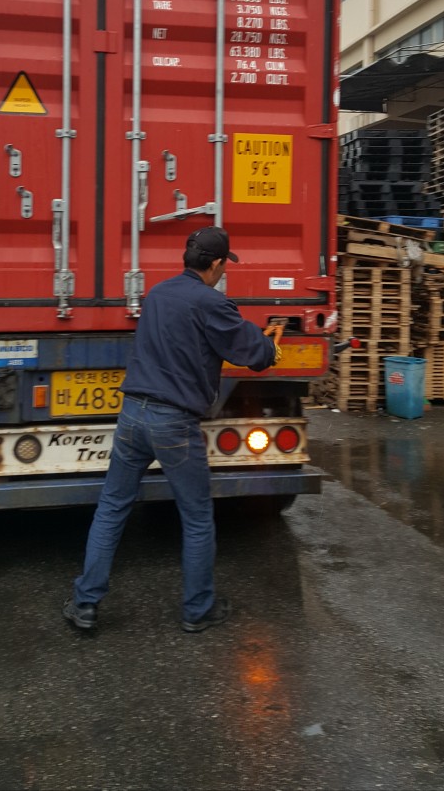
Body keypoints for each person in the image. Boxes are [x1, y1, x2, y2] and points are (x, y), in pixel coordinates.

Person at [63, 226, 282, 634]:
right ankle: (197, 609)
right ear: (216, 264)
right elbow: (252, 354)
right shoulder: (212, 302)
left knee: (112, 507)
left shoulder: (157, 294)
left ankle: (85, 604)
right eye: (224, 266)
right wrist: (270, 346)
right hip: (174, 423)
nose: (223, 272)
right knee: (196, 517)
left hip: (132, 413)